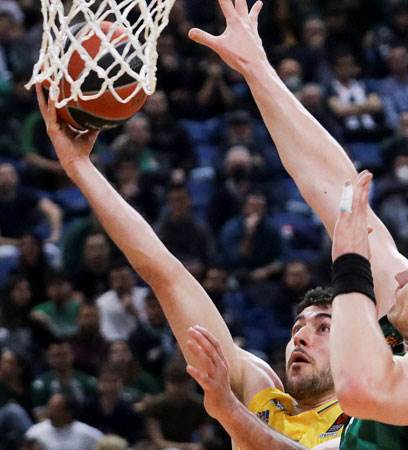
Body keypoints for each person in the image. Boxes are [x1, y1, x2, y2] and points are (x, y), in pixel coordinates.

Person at [187, 2, 408, 449]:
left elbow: (361, 390)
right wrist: (257, 69)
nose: (403, 272)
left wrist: (350, 266)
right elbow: (331, 182)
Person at [36, 83, 345, 450]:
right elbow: (167, 276)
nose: (301, 337)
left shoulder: (369, 421)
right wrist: (79, 167)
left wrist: (230, 411)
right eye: (298, 327)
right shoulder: (263, 393)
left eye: (324, 327)